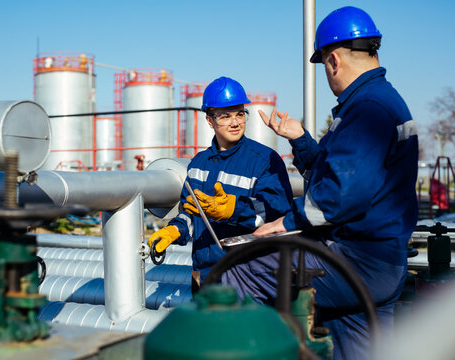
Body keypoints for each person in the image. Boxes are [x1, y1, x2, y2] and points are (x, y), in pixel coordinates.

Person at [220, 6, 418, 360]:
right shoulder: (380, 102)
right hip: (384, 264)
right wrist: (299, 139)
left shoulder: (368, 109)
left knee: (241, 268)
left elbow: (340, 196)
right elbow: (334, 176)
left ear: (333, 61)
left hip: (359, 261)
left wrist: (286, 222)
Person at [147, 76, 293, 290]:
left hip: (248, 275)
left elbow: (277, 213)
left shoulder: (264, 161)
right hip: (204, 274)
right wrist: (175, 230)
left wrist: (234, 210)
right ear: (209, 120)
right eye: (225, 116)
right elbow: (191, 212)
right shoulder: (199, 163)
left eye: (240, 114)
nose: (235, 122)